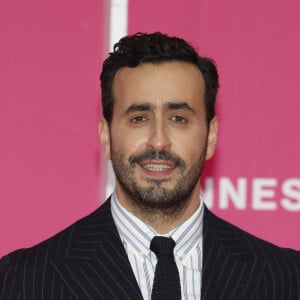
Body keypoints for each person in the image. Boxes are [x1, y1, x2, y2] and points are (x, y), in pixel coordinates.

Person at [0, 32, 300, 300]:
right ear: (106, 137)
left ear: (211, 137)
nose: (158, 142)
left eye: (179, 119)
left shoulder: (286, 279)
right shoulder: (24, 280)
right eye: (139, 118)